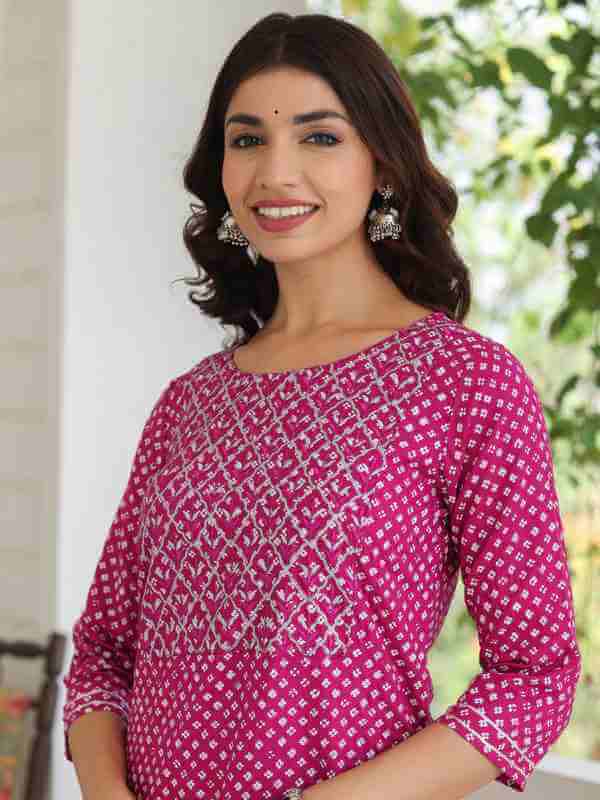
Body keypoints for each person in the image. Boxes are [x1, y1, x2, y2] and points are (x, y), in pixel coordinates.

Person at [62, 12, 582, 800]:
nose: (276, 171)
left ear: (384, 163)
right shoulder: (191, 404)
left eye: (320, 137)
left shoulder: (462, 382)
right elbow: (104, 655)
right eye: (247, 139)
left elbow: (534, 676)